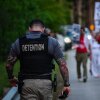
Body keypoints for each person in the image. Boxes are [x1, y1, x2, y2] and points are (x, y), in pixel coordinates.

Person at [5, 19, 70, 100]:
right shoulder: (52, 42)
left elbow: (8, 65)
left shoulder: (19, 43)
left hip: (26, 85)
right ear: (43, 29)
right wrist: (66, 85)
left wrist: (11, 77)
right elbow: (62, 65)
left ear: (29, 29)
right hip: (45, 85)